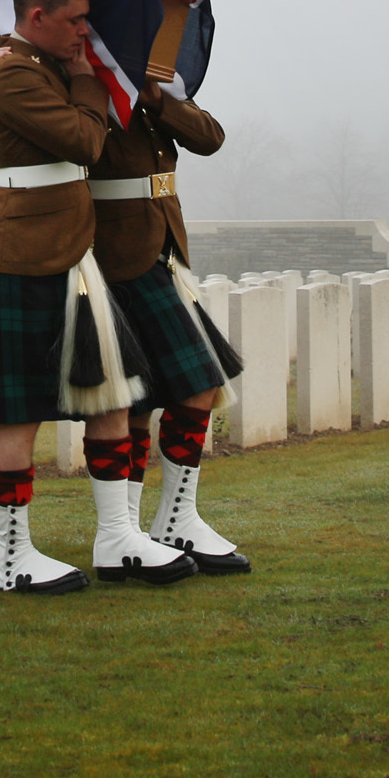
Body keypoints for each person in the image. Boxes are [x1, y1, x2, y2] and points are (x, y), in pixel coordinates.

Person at [0, 0, 195, 592]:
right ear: (36, 16)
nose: (84, 34)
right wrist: (92, 82)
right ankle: (15, 557)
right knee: (22, 417)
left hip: (70, 257)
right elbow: (85, 142)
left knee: (111, 400)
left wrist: (80, 75)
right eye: (74, 21)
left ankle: (117, 539)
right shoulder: (14, 74)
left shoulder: (36, 66)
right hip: (21, 260)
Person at [93, 80, 251, 574]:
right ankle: (135, 530)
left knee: (177, 388)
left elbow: (209, 136)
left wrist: (157, 97)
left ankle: (169, 520)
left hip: (162, 249)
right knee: (149, 397)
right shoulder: (87, 81)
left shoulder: (151, 87)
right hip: (114, 252)